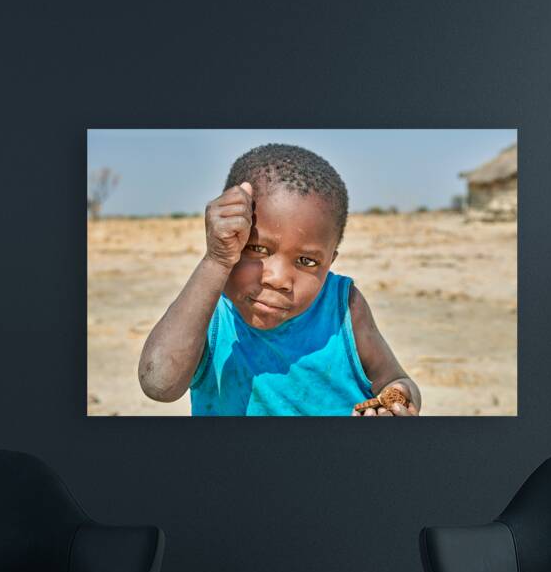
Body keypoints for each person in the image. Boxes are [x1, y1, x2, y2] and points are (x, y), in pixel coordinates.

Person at [137, 143, 421, 416]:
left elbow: (394, 379)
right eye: (258, 249)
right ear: (230, 239)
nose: (279, 279)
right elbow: (158, 383)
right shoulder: (210, 314)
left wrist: (399, 398)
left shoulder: (344, 307)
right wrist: (216, 260)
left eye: (306, 261)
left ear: (330, 261)